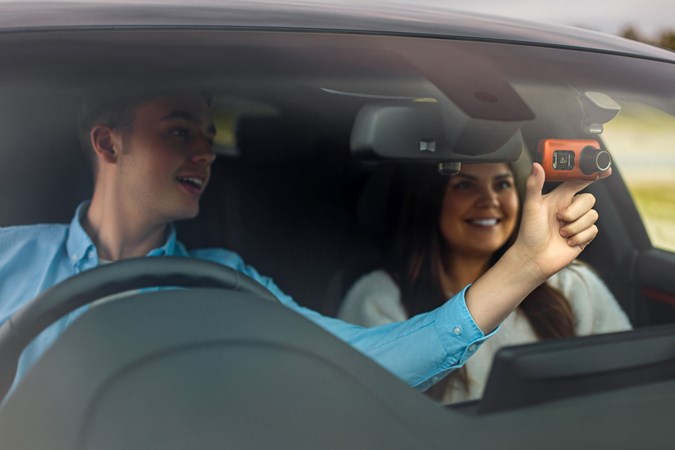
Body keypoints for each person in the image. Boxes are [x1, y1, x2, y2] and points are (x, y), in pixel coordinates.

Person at [0, 89, 605, 396]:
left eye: (208, 135)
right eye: (179, 130)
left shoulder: (224, 280)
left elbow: (366, 363)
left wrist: (526, 263)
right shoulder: (11, 255)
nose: (206, 150)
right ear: (109, 145)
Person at [339, 161, 630, 404]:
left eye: (502, 184)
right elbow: (367, 412)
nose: (490, 199)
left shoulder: (570, 284)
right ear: (430, 199)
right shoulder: (378, 298)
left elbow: (627, 381)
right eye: (465, 185)